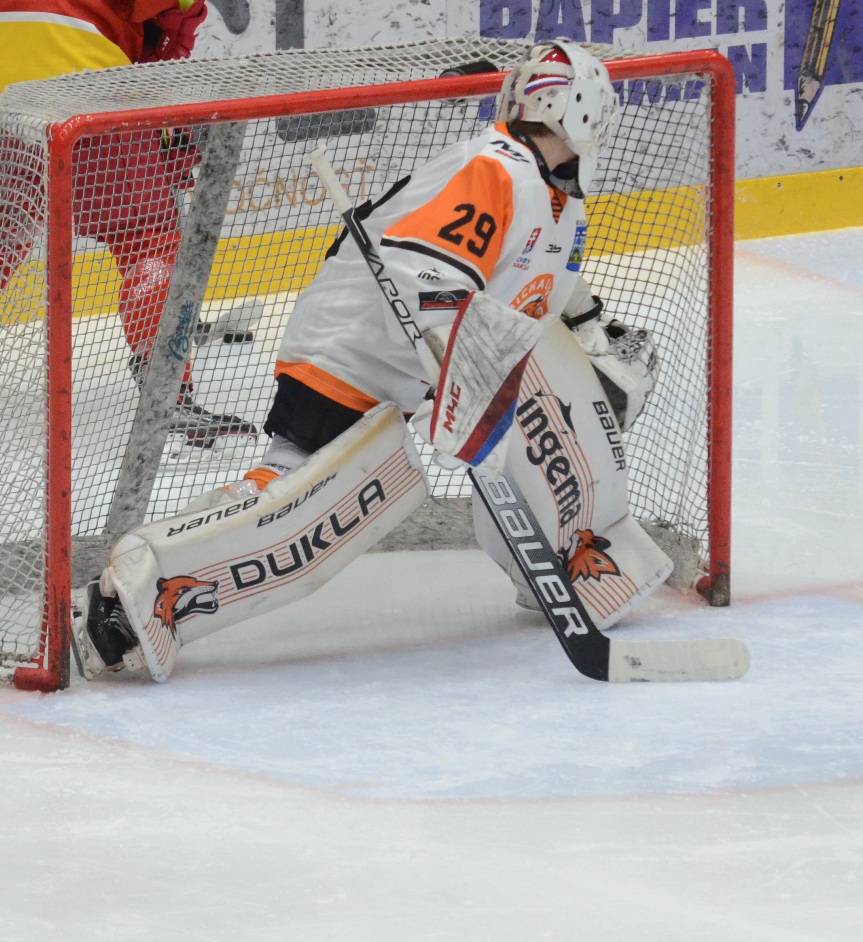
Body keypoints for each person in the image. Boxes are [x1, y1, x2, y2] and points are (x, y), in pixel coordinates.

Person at [75, 41, 667, 682]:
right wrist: (458, 381)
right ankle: (127, 598)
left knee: (521, 422)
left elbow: (544, 285)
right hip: (351, 350)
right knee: (305, 510)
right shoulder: (497, 169)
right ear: (583, 112)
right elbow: (427, 275)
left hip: (407, 367)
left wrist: (586, 333)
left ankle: (568, 565)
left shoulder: (557, 197)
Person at [0, 0, 254, 448]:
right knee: (148, 234)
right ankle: (167, 394)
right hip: (76, 75)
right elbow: (171, 34)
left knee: (11, 215)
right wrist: (162, 124)